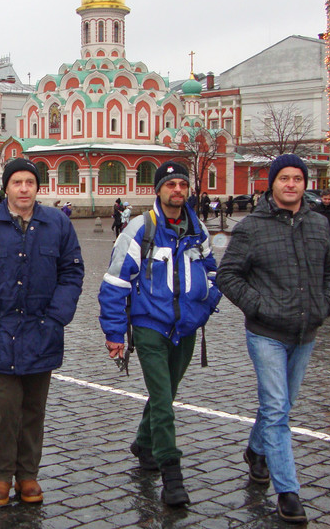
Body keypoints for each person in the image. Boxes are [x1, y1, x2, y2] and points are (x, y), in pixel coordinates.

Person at [215, 154, 330, 524]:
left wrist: (326, 304)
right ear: (272, 183)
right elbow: (228, 275)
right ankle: (288, 492)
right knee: (276, 408)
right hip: (266, 333)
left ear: (305, 184)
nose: (291, 184)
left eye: (297, 178)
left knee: (281, 405)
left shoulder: (318, 224)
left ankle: (256, 451)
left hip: (305, 331)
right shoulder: (252, 227)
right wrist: (260, 307)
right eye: (284, 178)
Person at [0, 157, 84, 507]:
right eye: (17, 182)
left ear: (38, 187)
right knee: (4, 406)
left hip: (42, 329)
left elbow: (72, 272)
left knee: (33, 408)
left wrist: (57, 317)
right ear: (6, 187)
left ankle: (27, 474)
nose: (24, 189)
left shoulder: (57, 223)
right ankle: (1, 474)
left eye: (30, 182)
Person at [98, 161, 221, 507]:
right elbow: (115, 283)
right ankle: (172, 475)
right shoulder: (140, 229)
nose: (177, 190)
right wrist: (114, 332)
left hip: (186, 328)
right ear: (158, 190)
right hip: (150, 327)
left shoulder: (198, 230)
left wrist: (205, 306)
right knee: (165, 401)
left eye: (182, 184)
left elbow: (213, 272)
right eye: (170, 184)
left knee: (165, 393)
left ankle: (143, 443)